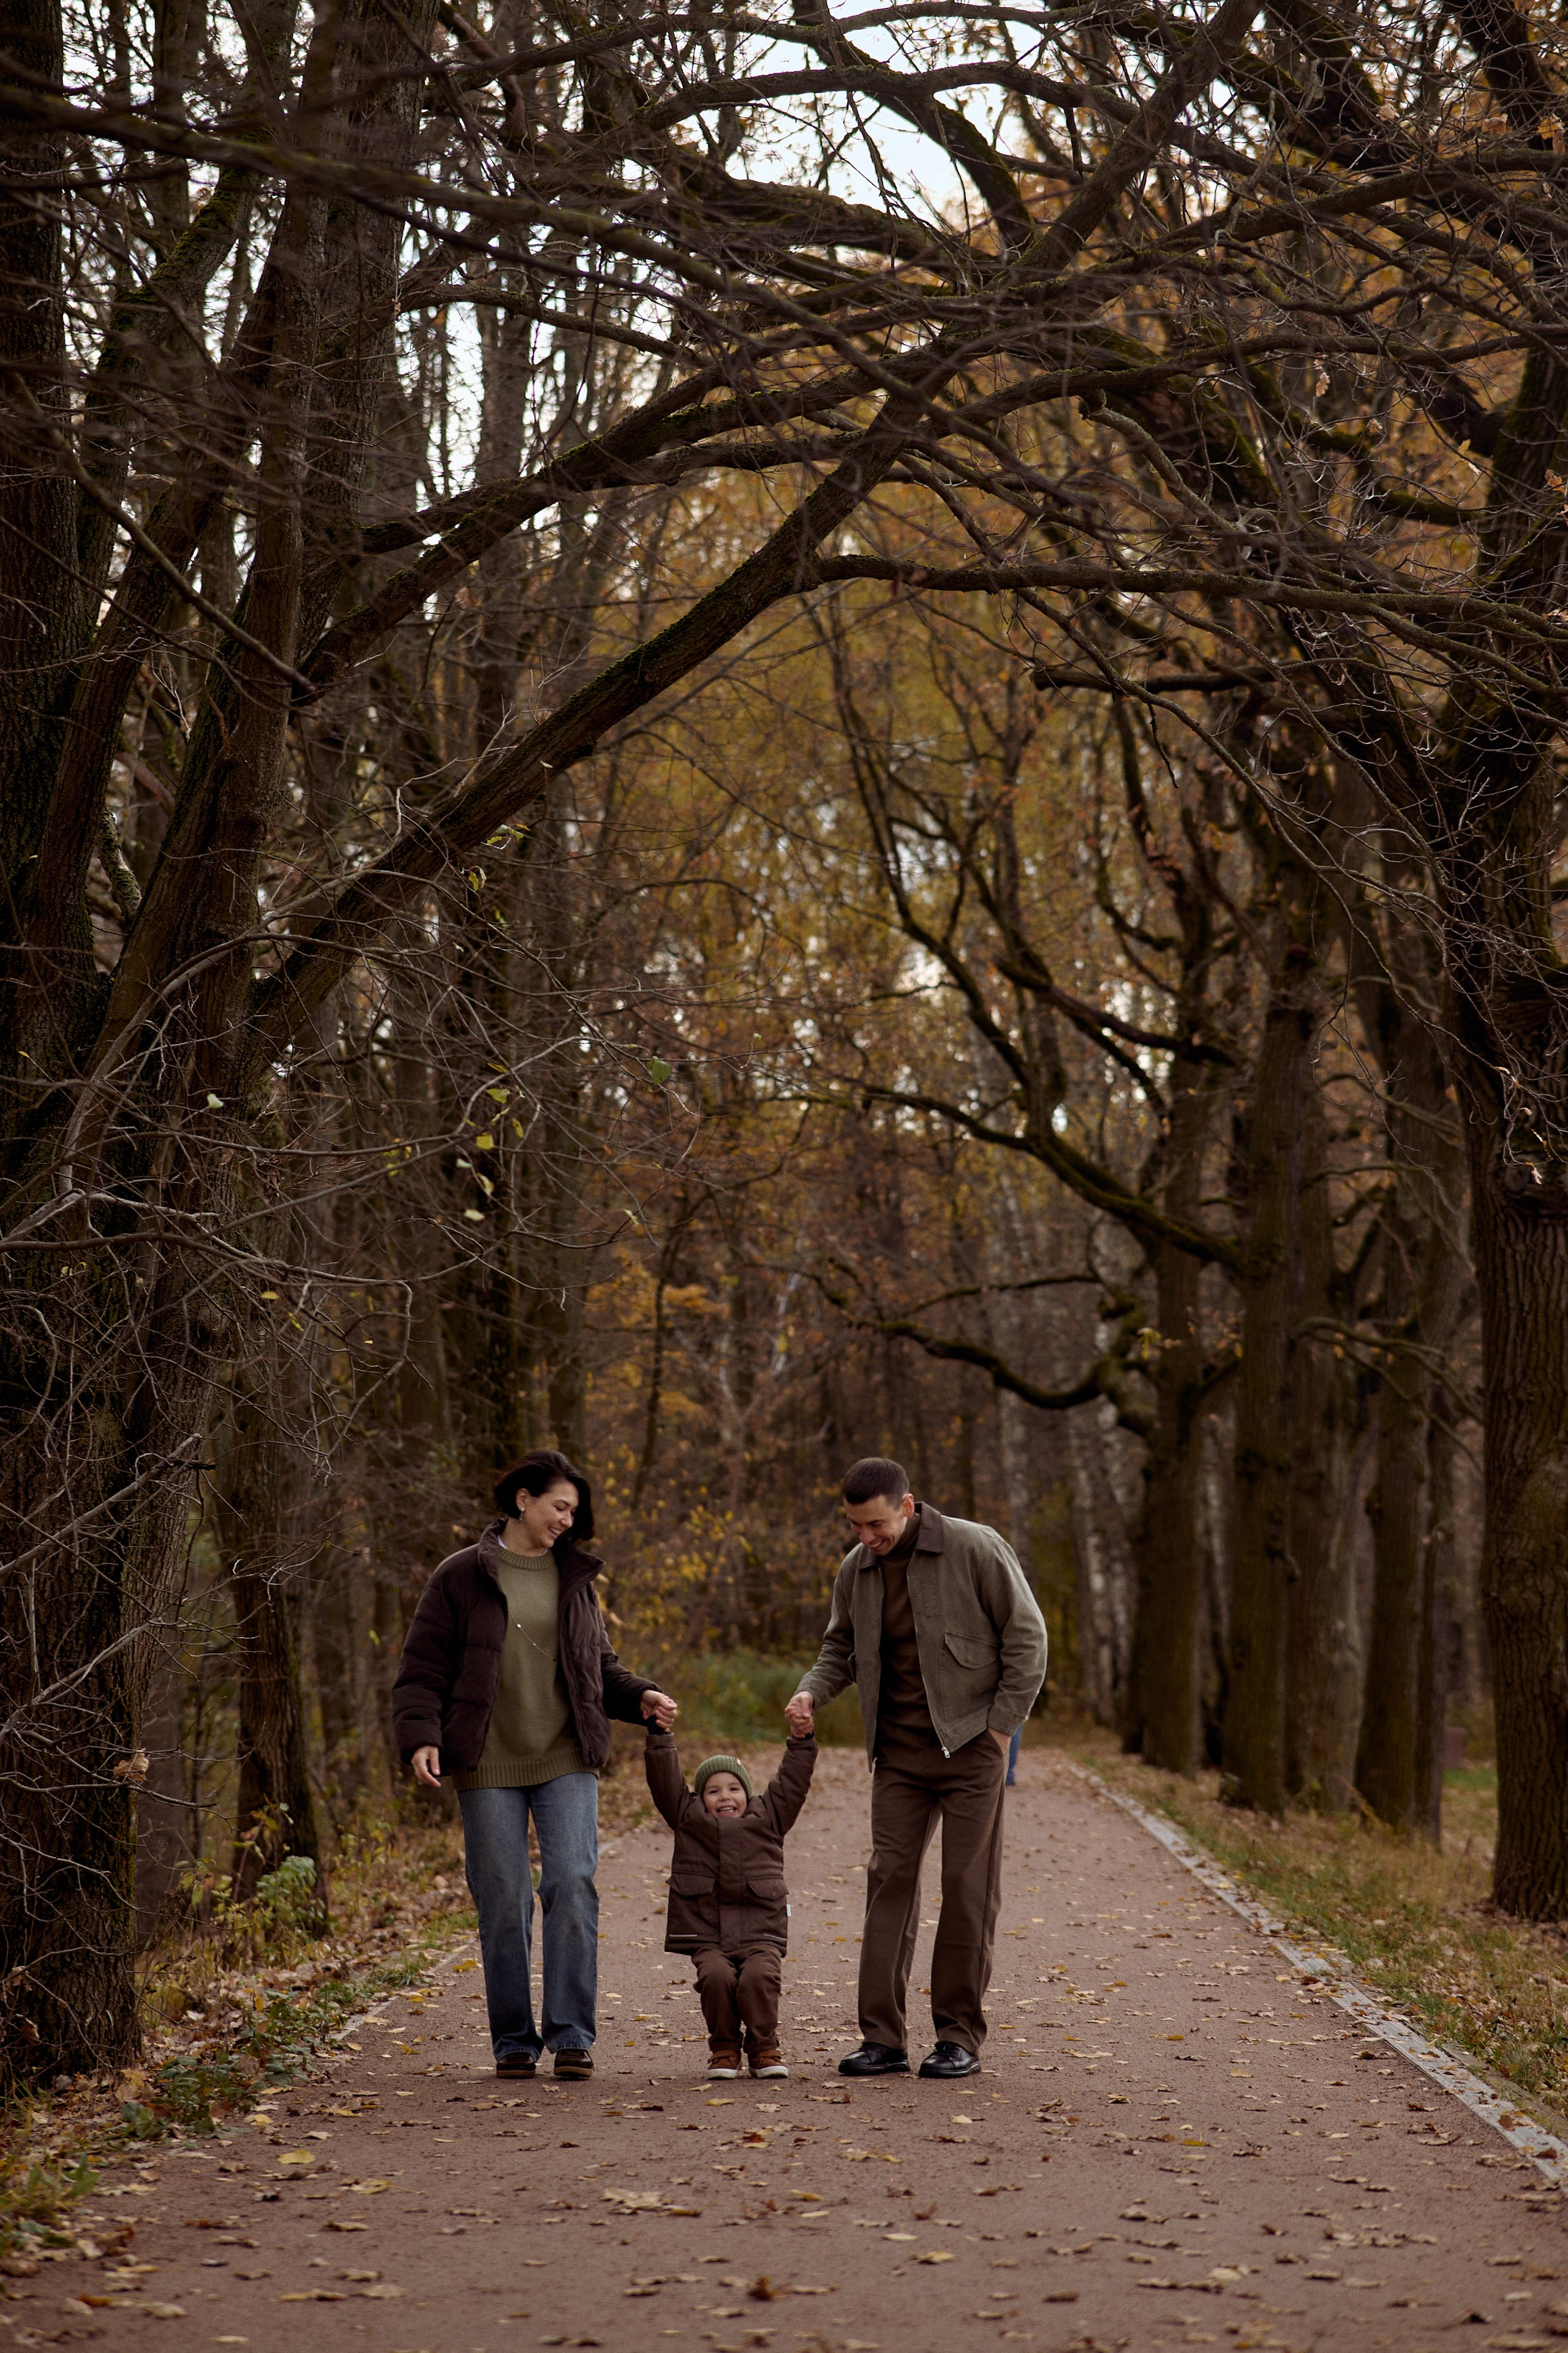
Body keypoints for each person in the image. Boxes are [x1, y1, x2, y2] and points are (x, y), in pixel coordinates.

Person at [391, 1449, 677, 2084]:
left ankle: (572, 2035)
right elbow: (422, 1670)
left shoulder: (573, 1576)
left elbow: (597, 1665)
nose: (567, 1521)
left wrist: (641, 1696)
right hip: (487, 1758)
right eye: (559, 1507)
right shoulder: (459, 1576)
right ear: (523, 1499)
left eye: (574, 1512)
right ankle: (514, 2041)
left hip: (566, 1753)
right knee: (503, 1897)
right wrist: (420, 1738)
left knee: (571, 1881)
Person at [785, 1457, 1046, 2082]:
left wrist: (1001, 1728)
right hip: (898, 1755)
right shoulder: (857, 1568)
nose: (866, 1537)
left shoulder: (975, 1547)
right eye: (855, 1526)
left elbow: (1027, 1638)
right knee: (889, 1880)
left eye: (875, 1524)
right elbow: (839, 1647)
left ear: (906, 1506)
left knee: (966, 1886)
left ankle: (957, 2037)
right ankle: (882, 2040)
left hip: (971, 1745)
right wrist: (810, 1691)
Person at [644, 1726, 816, 2080]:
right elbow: (664, 1780)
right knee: (716, 1977)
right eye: (713, 1790)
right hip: (708, 1934)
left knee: (759, 1977)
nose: (725, 1797)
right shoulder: (687, 1819)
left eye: (734, 1788)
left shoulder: (770, 1817)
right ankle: (724, 2048)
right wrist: (659, 1734)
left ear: (747, 1794)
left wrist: (802, 1741)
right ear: (699, 1797)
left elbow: (793, 1782)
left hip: (760, 1932)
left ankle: (764, 2047)